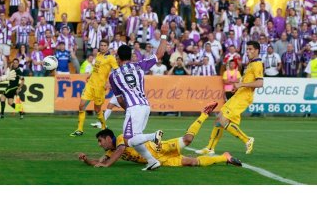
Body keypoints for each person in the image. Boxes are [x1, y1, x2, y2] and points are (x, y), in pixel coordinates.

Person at [79, 102, 242, 169]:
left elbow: (119, 152)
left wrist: (107, 165)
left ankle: (204, 114)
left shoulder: (122, 138)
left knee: (188, 139)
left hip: (159, 148)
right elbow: (98, 162)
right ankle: (225, 157)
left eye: (101, 141)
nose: (100, 144)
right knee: (193, 162)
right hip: (161, 160)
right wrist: (87, 159)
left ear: (108, 138)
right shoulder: (110, 152)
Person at [106, 24, 169, 170]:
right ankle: (152, 161)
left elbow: (120, 99)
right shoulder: (139, 66)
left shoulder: (114, 76)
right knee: (136, 137)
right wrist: (164, 35)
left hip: (133, 108)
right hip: (145, 105)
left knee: (128, 140)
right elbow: (159, 55)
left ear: (118, 58)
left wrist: (128, 110)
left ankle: (154, 136)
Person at [196, 41, 263, 155]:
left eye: (250, 49)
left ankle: (247, 140)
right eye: (247, 49)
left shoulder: (257, 64)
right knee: (219, 118)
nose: (248, 51)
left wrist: (241, 85)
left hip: (244, 97)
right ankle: (210, 148)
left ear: (257, 50)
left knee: (222, 120)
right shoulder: (250, 63)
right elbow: (246, 80)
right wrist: (238, 86)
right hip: (239, 94)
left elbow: (260, 83)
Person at [70, 39, 118, 137]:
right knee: (81, 105)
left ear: (108, 46)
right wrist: (91, 74)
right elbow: (97, 68)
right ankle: (79, 129)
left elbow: (116, 71)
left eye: (105, 45)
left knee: (97, 110)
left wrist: (109, 82)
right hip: (90, 85)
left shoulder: (111, 58)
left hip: (100, 88)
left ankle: (104, 126)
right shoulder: (98, 55)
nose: (103, 47)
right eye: (101, 45)